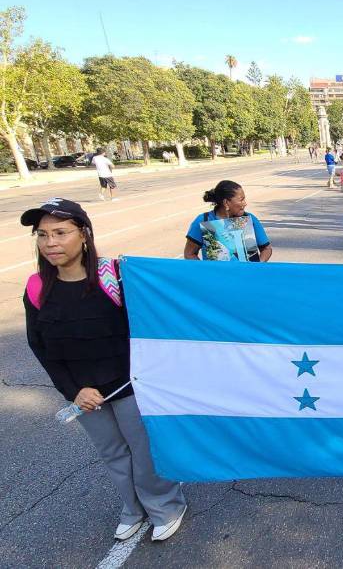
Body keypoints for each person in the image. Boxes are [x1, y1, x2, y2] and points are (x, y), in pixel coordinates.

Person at [21, 198, 187, 542]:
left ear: (83, 234)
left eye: (61, 232)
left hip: (129, 385)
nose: (51, 242)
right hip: (84, 395)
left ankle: (165, 506)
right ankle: (132, 508)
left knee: (144, 451)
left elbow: (152, 323)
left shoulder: (115, 276)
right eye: (43, 234)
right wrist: (73, 391)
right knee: (112, 452)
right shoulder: (36, 287)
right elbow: (40, 346)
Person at [184, 180, 272, 262]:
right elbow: (189, 254)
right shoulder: (203, 220)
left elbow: (266, 249)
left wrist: (256, 267)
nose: (245, 203)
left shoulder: (250, 219)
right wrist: (207, 272)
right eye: (241, 200)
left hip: (246, 277)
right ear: (226, 203)